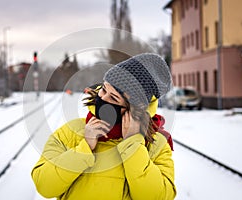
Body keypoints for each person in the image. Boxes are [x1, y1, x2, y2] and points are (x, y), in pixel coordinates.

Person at [31, 53, 176, 200]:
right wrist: (84, 148)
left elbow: (160, 196)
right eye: (104, 90)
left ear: (133, 110)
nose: (103, 98)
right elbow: (44, 186)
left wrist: (133, 145)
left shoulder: (156, 144)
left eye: (113, 98)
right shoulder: (70, 131)